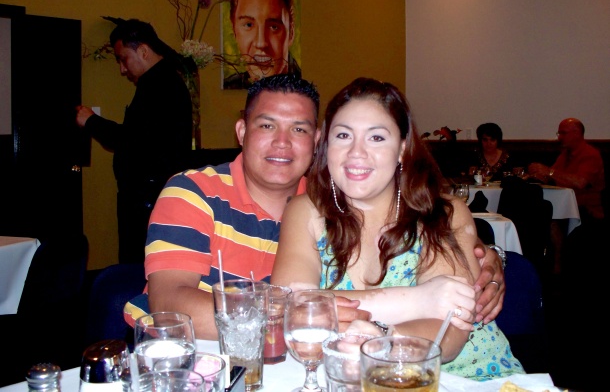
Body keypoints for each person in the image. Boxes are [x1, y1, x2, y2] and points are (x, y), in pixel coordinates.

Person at [124, 74, 506, 340]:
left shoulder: (332, 199)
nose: (283, 143)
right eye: (267, 126)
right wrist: (294, 314)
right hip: (198, 358)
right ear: (242, 132)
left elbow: (432, 231)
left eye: (300, 129)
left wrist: (487, 258)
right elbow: (171, 302)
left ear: (318, 140)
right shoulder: (193, 192)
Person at [271, 78, 523, 380]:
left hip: (466, 377)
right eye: (343, 136)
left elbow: (452, 331)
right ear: (326, 144)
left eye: (376, 138)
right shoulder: (305, 212)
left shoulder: (442, 212)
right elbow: (292, 310)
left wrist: (377, 340)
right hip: (347, 378)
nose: (356, 153)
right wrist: (419, 300)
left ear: (402, 148)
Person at [76, 19, 192, 264]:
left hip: (148, 198)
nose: (122, 69)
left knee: (139, 267)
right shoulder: (161, 83)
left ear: (143, 51)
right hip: (148, 196)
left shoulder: (160, 86)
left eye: (123, 58)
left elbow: (132, 141)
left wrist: (91, 121)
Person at [528, 117, 605, 274]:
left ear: (577, 134)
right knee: (539, 213)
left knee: (549, 218)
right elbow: (553, 176)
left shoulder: (590, 155)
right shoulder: (566, 154)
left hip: (587, 209)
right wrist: (537, 174)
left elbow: (580, 182)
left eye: (563, 133)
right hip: (565, 205)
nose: (559, 137)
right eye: (559, 133)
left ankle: (559, 266)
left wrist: (548, 171)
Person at [223, 0, 301, 90]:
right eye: (248, 25)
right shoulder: (231, 85)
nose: (261, 42)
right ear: (234, 30)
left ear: (291, 33)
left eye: (273, 27)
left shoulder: (304, 95)